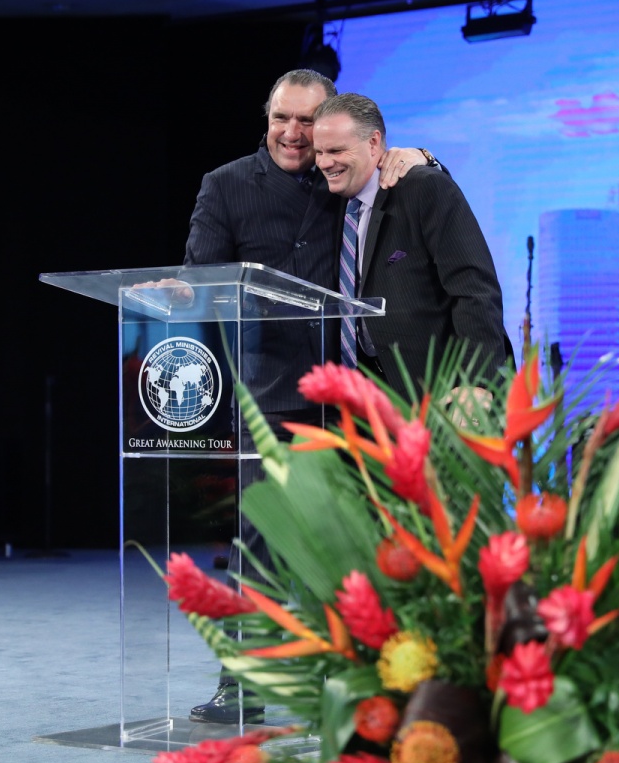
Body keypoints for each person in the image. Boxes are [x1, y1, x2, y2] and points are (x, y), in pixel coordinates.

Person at [181, 69, 436, 724]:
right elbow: (202, 281)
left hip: (363, 390)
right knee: (261, 541)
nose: (293, 134)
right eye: (282, 118)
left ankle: (374, 684)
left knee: (371, 540)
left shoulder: (346, 173)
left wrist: (423, 156)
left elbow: (409, 199)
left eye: (308, 121)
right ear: (265, 119)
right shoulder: (226, 185)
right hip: (272, 395)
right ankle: (242, 684)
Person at [314, 92, 507, 398]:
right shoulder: (331, 203)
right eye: (319, 151)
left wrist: (477, 383)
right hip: (367, 402)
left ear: (374, 143)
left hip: (445, 396)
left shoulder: (424, 188)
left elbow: (474, 290)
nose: (325, 162)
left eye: (336, 150)